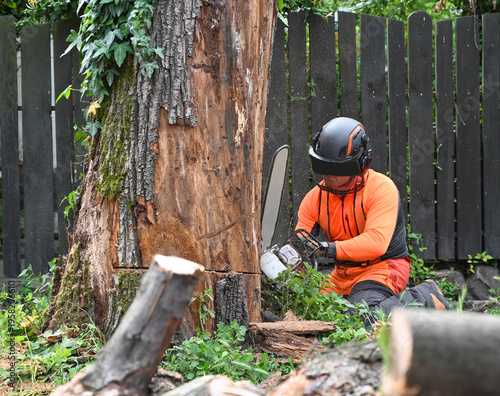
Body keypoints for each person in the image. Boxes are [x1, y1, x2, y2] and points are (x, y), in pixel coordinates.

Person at [295, 117, 450, 324]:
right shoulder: (314, 199)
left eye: (337, 168)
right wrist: (292, 262)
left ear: (358, 162)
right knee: (305, 310)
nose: (328, 174)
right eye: (322, 165)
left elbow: (376, 242)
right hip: (343, 274)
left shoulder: (381, 188)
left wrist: (325, 248)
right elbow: (300, 243)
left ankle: (426, 296)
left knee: (361, 317)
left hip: (382, 267)